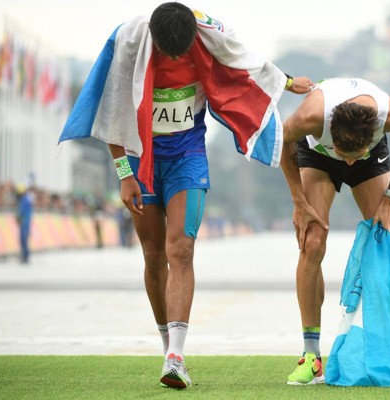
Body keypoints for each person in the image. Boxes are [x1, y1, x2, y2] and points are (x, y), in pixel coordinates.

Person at [59, 2, 313, 389]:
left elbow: (244, 57)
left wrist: (288, 81)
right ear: (154, 39)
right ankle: (166, 346)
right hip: (138, 154)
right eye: (167, 52)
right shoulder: (131, 38)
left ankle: (176, 356)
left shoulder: (208, 31)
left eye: (181, 51)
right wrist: (124, 175)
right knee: (153, 253)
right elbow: (113, 111)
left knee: (182, 249)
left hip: (188, 155)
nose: (175, 57)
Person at [280, 77, 390, 385]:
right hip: (317, 157)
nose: (346, 161)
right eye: (343, 153)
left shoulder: (389, 114)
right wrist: (298, 199)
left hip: (370, 160)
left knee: (383, 240)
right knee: (312, 242)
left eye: (351, 155)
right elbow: (282, 138)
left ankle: (388, 348)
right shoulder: (310, 116)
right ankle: (311, 355)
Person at [15, 184, 34, 264]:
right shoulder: (25, 199)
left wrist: (18, 217)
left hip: (25, 222)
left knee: (23, 239)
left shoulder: (25, 200)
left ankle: (25, 255)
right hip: (25, 221)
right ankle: (24, 254)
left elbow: (21, 211)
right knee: (23, 239)